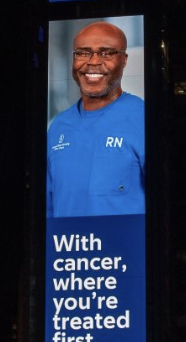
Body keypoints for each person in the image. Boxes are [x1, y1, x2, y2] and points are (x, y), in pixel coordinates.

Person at [47, 21, 144, 217]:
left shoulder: (142, 118)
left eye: (106, 53)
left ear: (124, 60)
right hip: (65, 245)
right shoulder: (58, 126)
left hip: (123, 246)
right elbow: (47, 209)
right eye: (83, 53)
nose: (92, 61)